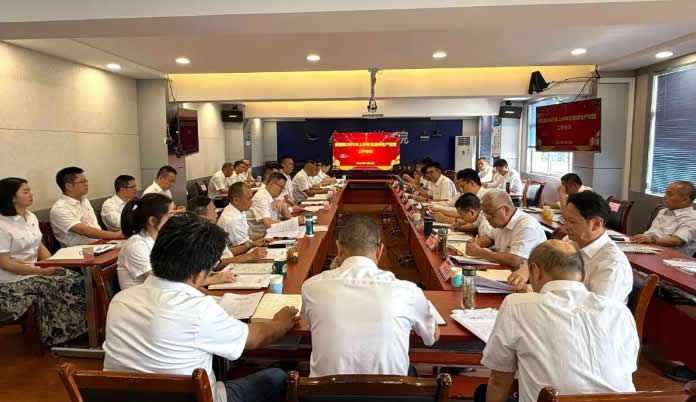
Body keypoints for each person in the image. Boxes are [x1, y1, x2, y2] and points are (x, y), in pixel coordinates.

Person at [103, 213, 299, 402]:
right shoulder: (199, 311)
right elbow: (255, 338)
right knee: (277, 378)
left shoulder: (120, 301)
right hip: (196, 396)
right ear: (198, 275)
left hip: (127, 396)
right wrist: (280, 322)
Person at [478, 240, 638, 402]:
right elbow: (627, 369)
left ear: (535, 271)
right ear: (583, 277)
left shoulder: (517, 305)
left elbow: (499, 379)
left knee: (482, 392)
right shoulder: (620, 311)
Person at [302, 215, 439, 377]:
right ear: (380, 250)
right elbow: (432, 337)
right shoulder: (408, 291)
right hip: (392, 390)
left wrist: (332, 273)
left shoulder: (311, 287)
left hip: (324, 390)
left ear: (338, 248)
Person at [0, 177, 87, 346]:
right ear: (12, 197)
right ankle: (57, 336)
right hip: (10, 279)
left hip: (34, 270)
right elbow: (5, 263)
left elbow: (38, 246)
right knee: (55, 285)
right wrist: (42, 271)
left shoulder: (30, 217)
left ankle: (79, 329)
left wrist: (53, 264)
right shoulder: (2, 225)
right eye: (26, 191)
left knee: (74, 278)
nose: (31, 194)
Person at [466, 190, 546, 269]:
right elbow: (489, 238)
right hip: (504, 269)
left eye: (490, 213)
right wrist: (476, 243)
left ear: (506, 210)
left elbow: (515, 260)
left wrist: (481, 252)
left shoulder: (527, 225)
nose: (487, 218)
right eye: (485, 213)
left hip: (524, 274)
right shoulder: (500, 223)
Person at [50, 167, 122, 247]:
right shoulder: (60, 208)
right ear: (69, 186)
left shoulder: (84, 200)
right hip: (78, 251)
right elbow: (84, 230)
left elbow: (94, 226)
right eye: (82, 182)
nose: (86, 184)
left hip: (99, 244)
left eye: (86, 181)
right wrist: (116, 235)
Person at [187, 195, 267, 267]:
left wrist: (251, 245)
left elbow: (226, 253)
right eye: (213, 211)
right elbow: (217, 265)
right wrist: (249, 256)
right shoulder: (200, 238)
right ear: (202, 217)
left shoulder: (210, 229)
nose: (216, 214)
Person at [631, 181, 696, 257]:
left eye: (669, 194)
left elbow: (677, 241)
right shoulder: (663, 211)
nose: (665, 197)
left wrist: (651, 240)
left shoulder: (692, 217)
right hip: (650, 251)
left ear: (685, 200)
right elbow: (652, 233)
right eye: (665, 193)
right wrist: (642, 238)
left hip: (672, 259)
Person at [217, 182, 266, 252]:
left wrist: (264, 236)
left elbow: (247, 236)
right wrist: (259, 242)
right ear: (236, 200)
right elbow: (244, 248)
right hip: (234, 255)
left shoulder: (239, 209)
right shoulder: (232, 220)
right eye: (249, 198)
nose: (251, 202)